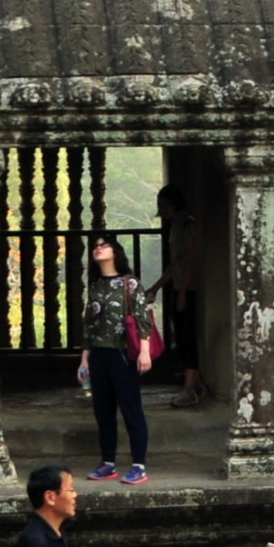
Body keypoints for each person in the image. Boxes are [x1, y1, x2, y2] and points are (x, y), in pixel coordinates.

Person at [78, 230, 152, 485]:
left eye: (104, 246)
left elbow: (142, 320)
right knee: (103, 411)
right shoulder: (96, 285)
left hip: (122, 354)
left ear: (115, 252)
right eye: (96, 246)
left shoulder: (130, 284)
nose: (99, 249)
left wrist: (144, 351)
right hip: (99, 354)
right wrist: (84, 359)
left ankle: (138, 465)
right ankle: (107, 462)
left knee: (131, 409)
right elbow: (89, 325)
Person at [152, 182, 205, 407]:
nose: (162, 210)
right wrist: (156, 288)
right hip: (178, 289)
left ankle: (191, 388)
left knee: (187, 338)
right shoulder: (176, 227)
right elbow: (175, 265)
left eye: (164, 205)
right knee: (181, 338)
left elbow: (191, 262)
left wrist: (183, 292)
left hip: (188, 291)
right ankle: (191, 381)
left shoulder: (188, 227)